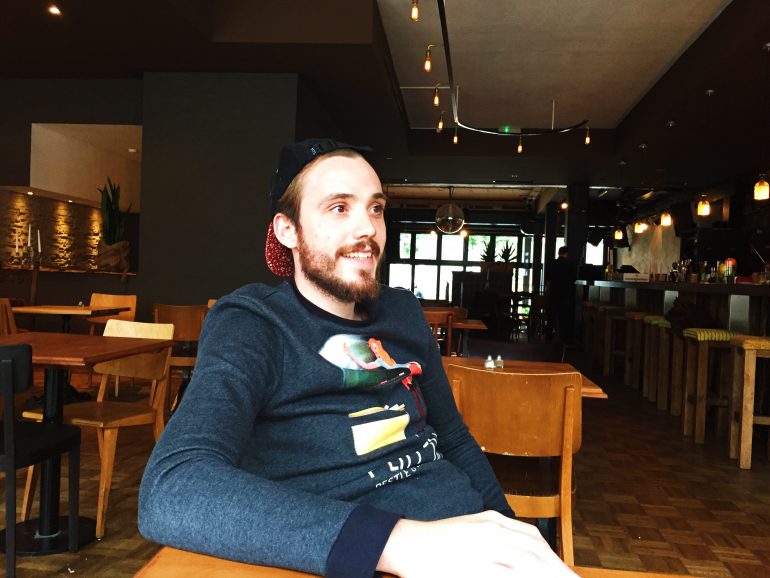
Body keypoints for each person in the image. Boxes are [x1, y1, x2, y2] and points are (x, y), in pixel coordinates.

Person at [138, 138, 576, 578]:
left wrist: (508, 531)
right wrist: (399, 544)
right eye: (339, 208)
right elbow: (172, 487)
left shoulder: (402, 311)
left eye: (375, 208)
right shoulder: (254, 324)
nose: (367, 228)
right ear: (287, 230)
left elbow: (454, 438)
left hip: (472, 545)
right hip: (376, 561)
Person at [545, 246, 577, 344]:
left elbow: (548, 278)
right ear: (566, 254)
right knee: (564, 317)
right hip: (565, 294)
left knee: (551, 316)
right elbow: (573, 279)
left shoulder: (551, 263)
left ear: (559, 253)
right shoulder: (570, 265)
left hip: (554, 293)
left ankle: (548, 336)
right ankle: (563, 337)